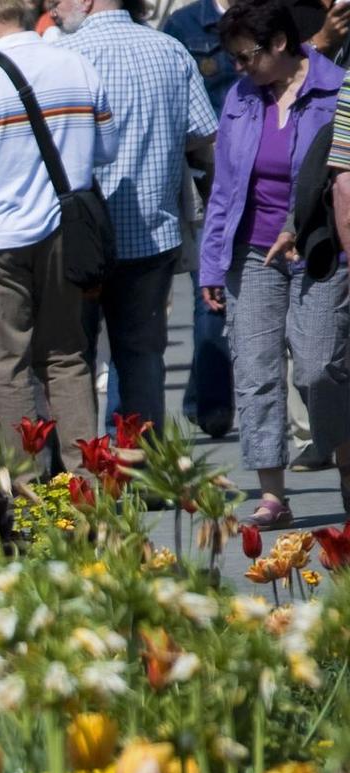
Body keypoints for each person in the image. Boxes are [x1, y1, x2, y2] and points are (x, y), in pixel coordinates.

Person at [0, 0, 115, 475]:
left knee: (5, 368)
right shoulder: (77, 67)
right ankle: (85, 484)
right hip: (64, 234)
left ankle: (28, 490)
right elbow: (106, 149)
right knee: (68, 358)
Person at [200, 0, 349, 525]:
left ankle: (344, 460)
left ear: (280, 43)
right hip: (251, 252)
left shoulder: (336, 90)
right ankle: (272, 496)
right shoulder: (241, 97)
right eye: (235, 60)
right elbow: (223, 187)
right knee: (256, 371)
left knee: (319, 366)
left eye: (247, 57)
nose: (241, 68)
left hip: (319, 250)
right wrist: (212, 263)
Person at [54, 0, 217, 431]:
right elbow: (202, 133)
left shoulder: (61, 56)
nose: (54, 7)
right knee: (141, 355)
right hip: (151, 230)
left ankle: (81, 462)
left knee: (72, 357)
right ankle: (138, 460)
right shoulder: (169, 50)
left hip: (76, 235)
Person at [162, 0, 240, 439]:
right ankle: (213, 404)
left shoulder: (269, 15)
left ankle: (201, 396)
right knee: (210, 292)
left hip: (262, 168)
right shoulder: (184, 24)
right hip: (207, 177)